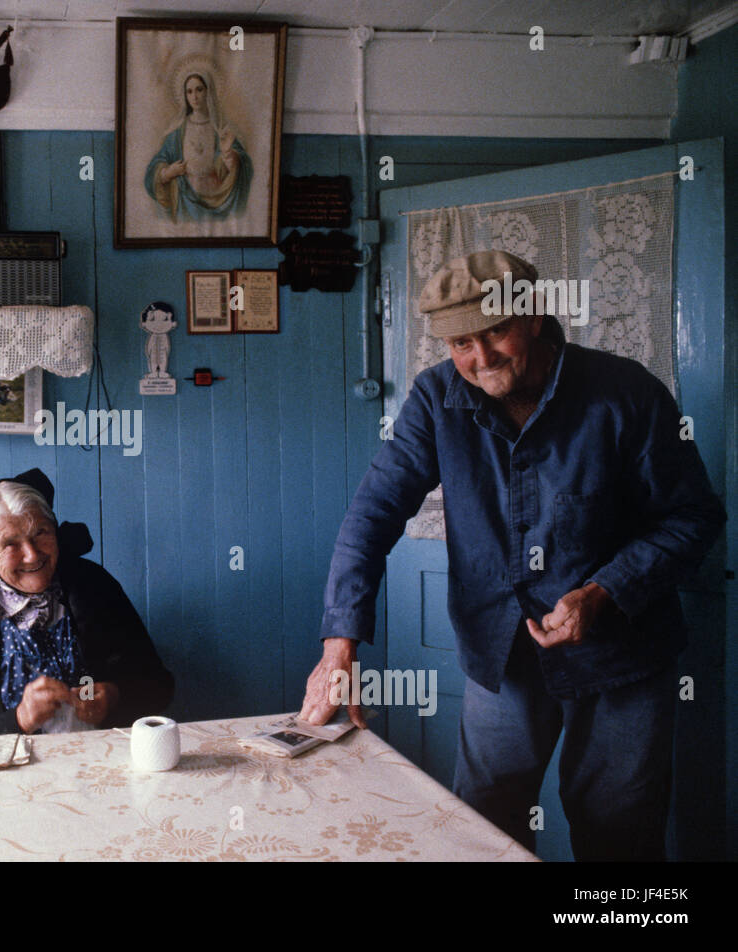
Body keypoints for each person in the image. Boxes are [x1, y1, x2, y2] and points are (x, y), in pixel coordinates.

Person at [298, 249, 725, 861]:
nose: (480, 358)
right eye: (460, 343)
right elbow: (373, 514)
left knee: (618, 827)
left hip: (624, 654)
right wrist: (339, 643)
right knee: (483, 824)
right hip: (501, 652)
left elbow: (694, 515)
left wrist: (603, 591)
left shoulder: (625, 392)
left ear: (532, 317)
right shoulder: (435, 396)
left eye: (495, 331)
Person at [0, 469, 174, 738]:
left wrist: (115, 697)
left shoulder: (94, 585)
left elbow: (159, 686)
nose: (32, 554)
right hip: (14, 776)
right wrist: (20, 719)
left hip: (102, 763)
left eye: (40, 533)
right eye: (10, 543)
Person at [144, 71, 252, 222]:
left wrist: (228, 154)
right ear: (185, 96)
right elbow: (154, 167)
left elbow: (244, 167)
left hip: (218, 200)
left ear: (209, 91)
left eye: (199, 89)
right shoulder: (176, 133)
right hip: (185, 201)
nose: (194, 96)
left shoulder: (221, 130)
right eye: (189, 91)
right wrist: (168, 172)